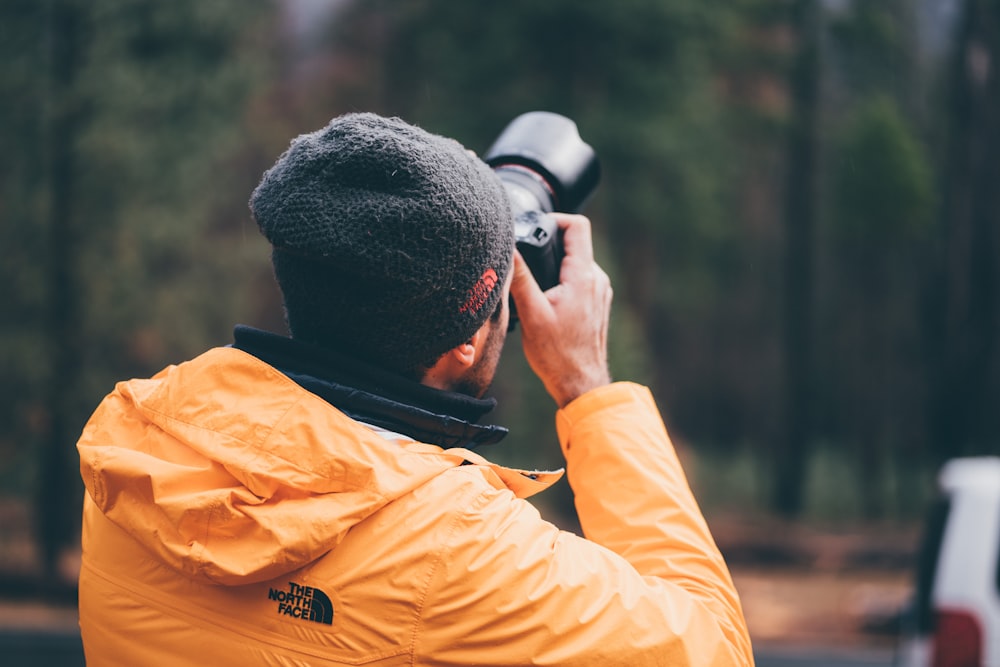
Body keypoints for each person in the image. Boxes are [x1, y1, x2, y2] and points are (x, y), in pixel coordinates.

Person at [76, 113, 754, 666]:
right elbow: (714, 649)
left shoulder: (138, 444)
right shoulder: (459, 553)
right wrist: (588, 387)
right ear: (463, 341)